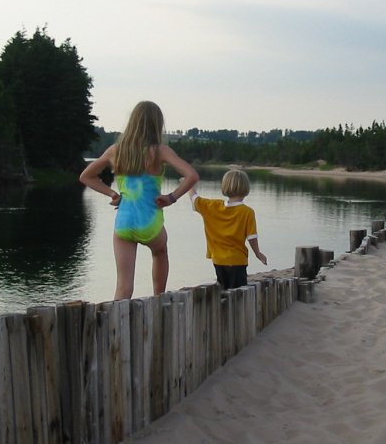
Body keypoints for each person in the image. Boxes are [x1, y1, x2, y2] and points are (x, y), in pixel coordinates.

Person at [80, 101, 198, 300]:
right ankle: (158, 299)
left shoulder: (115, 150)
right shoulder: (160, 151)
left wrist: (112, 194)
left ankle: (115, 325)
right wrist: (171, 198)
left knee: (124, 286)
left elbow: (86, 176)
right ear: (157, 124)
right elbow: (192, 176)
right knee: (160, 252)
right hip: (149, 221)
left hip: (124, 222)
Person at [189, 169, 267, 290]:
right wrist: (258, 253)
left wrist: (189, 185)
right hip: (237, 260)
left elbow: (195, 199)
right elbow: (252, 237)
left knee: (223, 288)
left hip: (218, 259)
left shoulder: (212, 206)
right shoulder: (247, 212)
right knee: (238, 291)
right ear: (246, 188)